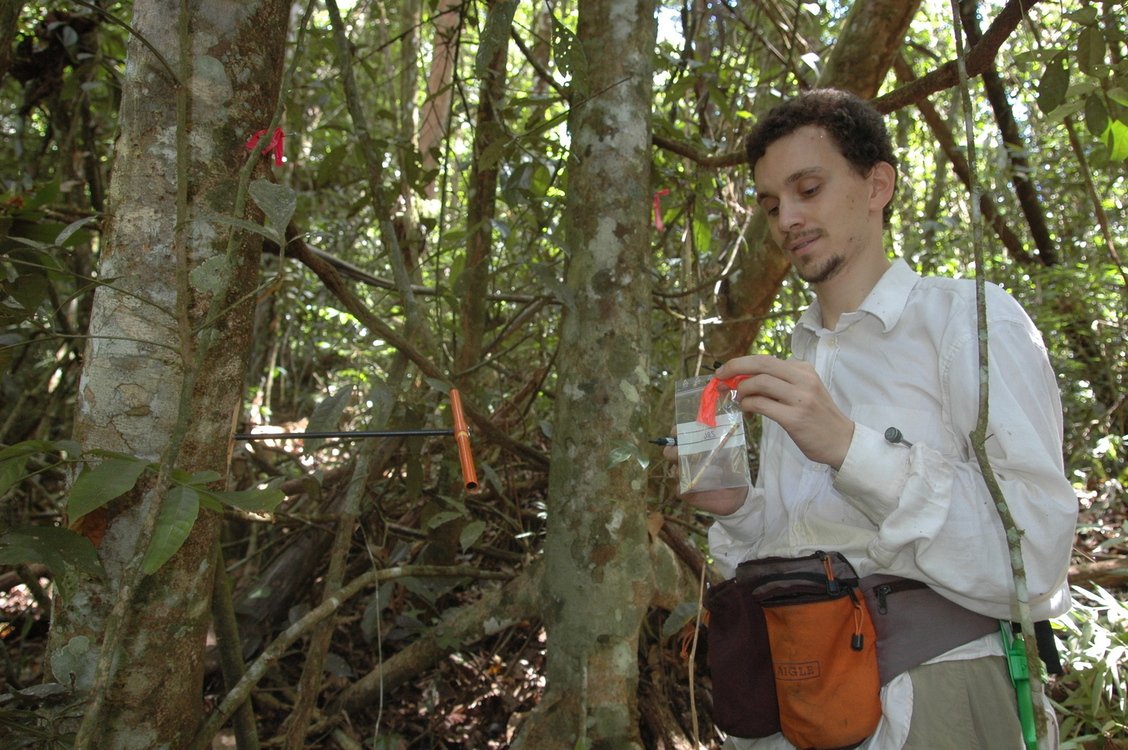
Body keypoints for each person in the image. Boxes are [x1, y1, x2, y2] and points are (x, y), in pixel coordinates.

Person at [671, 89, 1077, 749]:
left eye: (808, 189)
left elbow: (1035, 554)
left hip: (936, 690)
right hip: (806, 698)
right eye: (771, 204)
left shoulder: (968, 321)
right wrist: (737, 509)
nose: (788, 219)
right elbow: (799, 547)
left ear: (876, 186)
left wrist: (850, 449)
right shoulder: (800, 360)